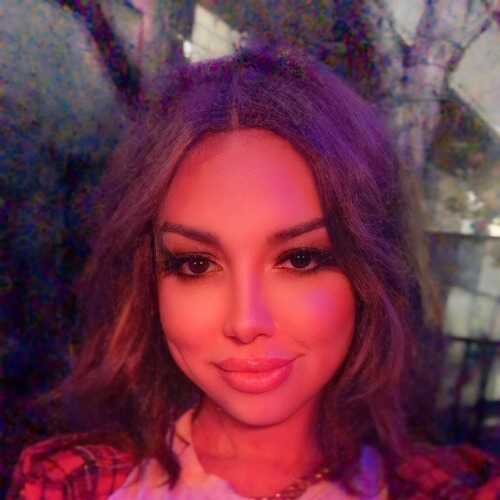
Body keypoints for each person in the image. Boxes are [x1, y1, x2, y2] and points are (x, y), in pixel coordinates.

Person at [8, 42, 500, 500]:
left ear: (367, 274)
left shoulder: (449, 488)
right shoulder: (75, 484)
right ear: (148, 282)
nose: (246, 322)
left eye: (300, 259)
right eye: (196, 264)